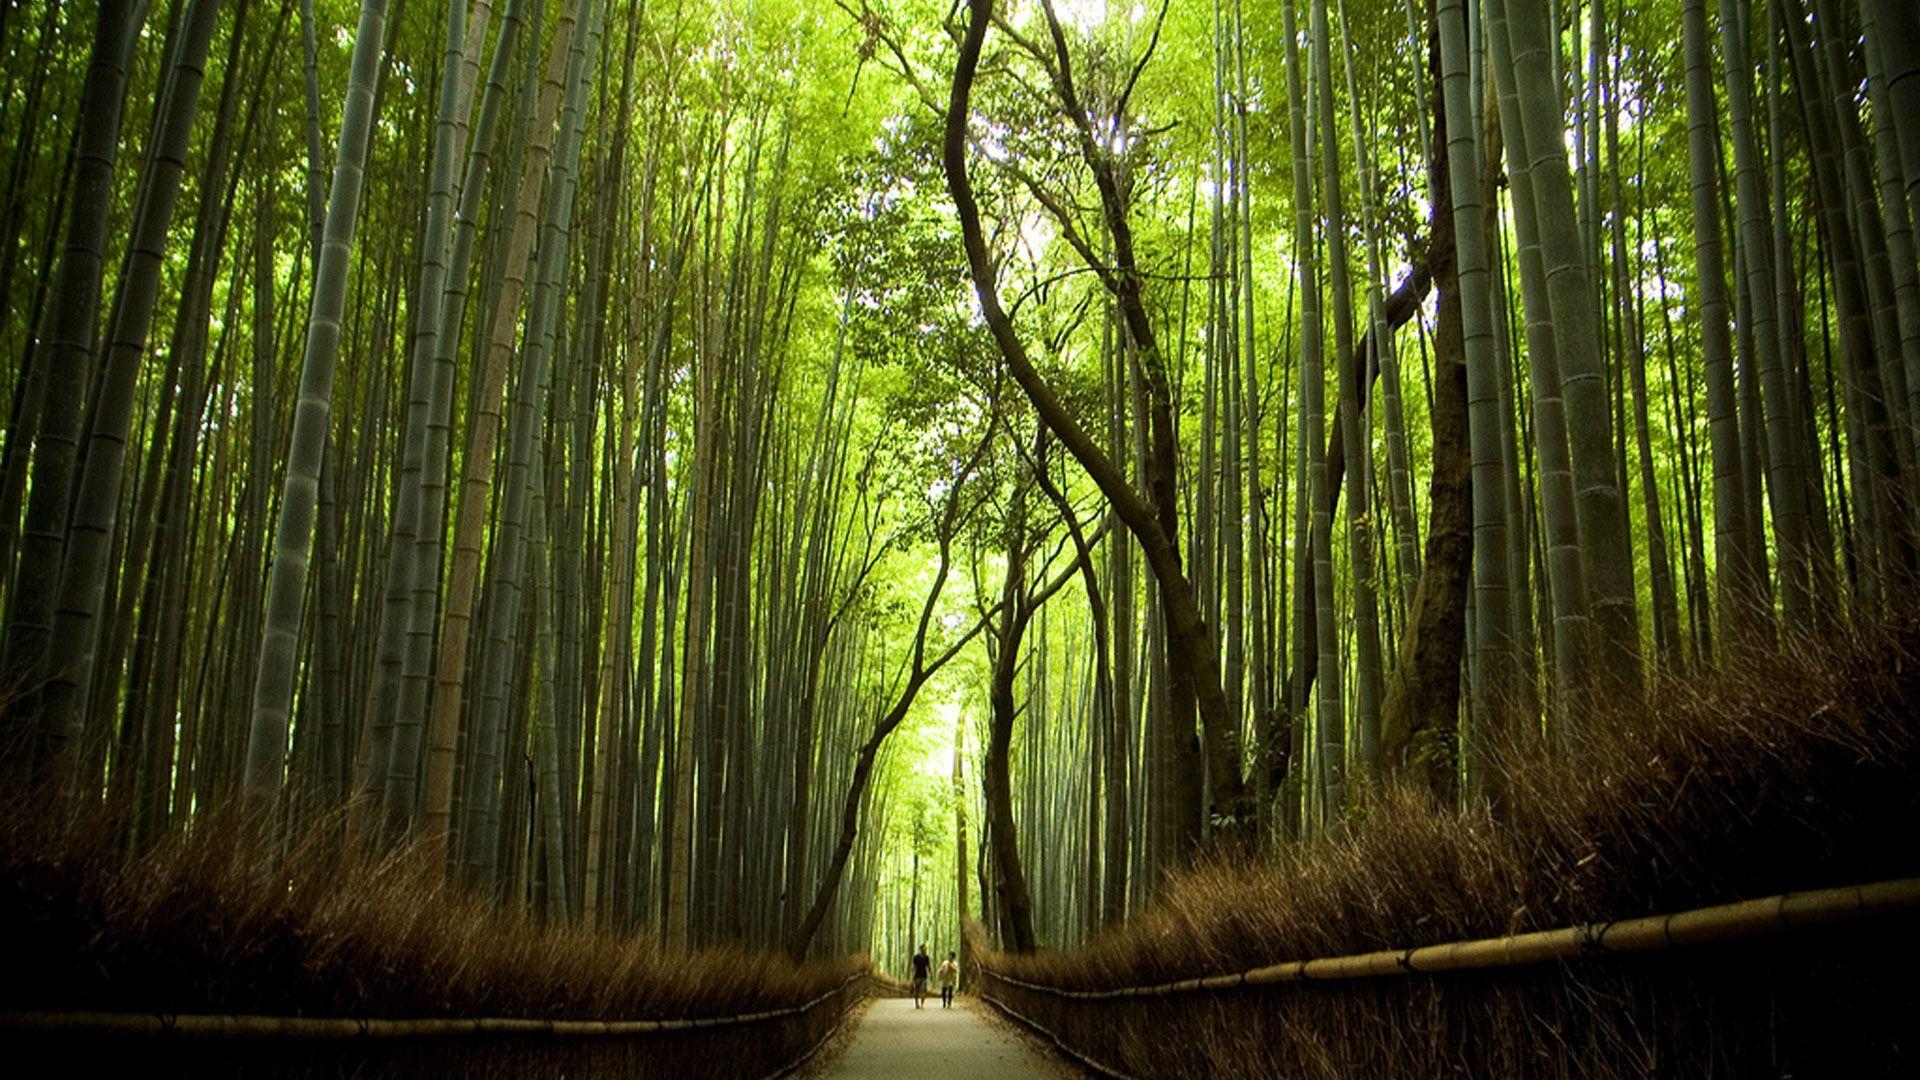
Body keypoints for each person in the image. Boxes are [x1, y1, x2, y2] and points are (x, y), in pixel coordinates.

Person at [910, 944, 931, 1009]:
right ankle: (916, 1003)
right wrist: (912, 976)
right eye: (924, 949)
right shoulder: (916, 957)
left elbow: (928, 966)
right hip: (917, 975)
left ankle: (922, 1004)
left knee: (923, 990)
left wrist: (930, 973)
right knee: (917, 990)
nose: (925, 950)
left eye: (926, 949)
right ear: (921, 949)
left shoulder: (927, 957)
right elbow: (914, 967)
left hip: (924, 976)